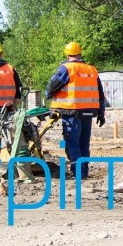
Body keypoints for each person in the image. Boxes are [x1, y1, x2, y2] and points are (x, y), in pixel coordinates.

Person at [44, 42, 106, 180]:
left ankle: (78, 173)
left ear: (67, 54)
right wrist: (101, 112)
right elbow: (100, 94)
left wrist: (47, 96)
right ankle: (83, 173)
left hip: (72, 112)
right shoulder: (92, 70)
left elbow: (52, 85)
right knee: (84, 144)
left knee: (73, 143)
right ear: (80, 53)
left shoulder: (66, 68)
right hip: (89, 112)